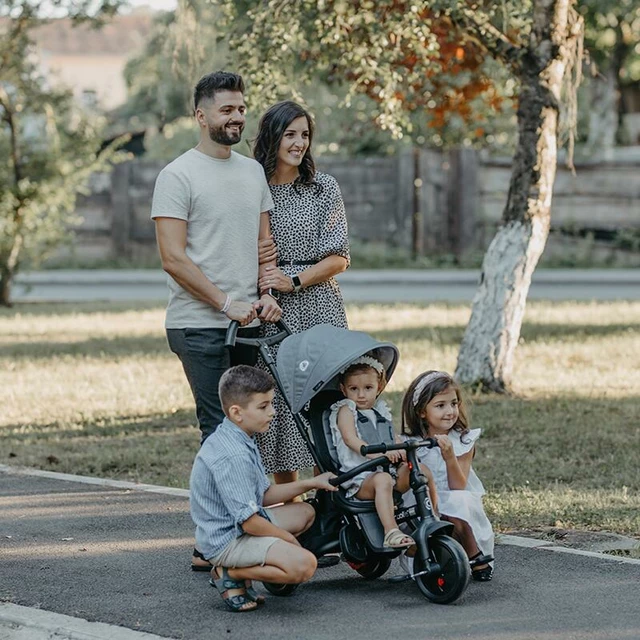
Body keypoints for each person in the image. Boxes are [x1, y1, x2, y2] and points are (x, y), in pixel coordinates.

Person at [150, 70, 281, 571]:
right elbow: (173, 258)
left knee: (252, 428)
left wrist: (267, 293)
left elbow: (264, 247)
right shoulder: (177, 175)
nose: (237, 117)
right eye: (226, 110)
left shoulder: (251, 172)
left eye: (241, 108)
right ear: (200, 116)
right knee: (218, 431)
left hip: (249, 320)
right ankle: (216, 543)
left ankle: (238, 532)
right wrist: (227, 302)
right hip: (198, 324)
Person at [252, 100, 350, 485]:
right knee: (282, 409)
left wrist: (293, 280)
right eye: (290, 134)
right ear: (272, 137)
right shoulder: (253, 190)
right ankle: (292, 510)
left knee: (324, 401)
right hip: (274, 312)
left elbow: (339, 257)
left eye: (304, 135)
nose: (298, 143)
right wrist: (268, 286)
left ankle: (329, 507)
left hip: (320, 304)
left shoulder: (323, 187)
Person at [190, 365, 337, 612]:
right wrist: (288, 540)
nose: (273, 412)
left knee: (305, 512)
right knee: (304, 566)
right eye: (263, 406)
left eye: (271, 403)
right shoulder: (233, 455)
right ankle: (229, 572)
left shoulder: (239, 434)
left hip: (238, 525)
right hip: (228, 540)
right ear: (237, 412)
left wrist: (312, 482)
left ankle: (256, 560)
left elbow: (263, 495)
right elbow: (250, 523)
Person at [328, 355, 438, 549]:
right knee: (383, 480)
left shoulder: (380, 410)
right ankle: (391, 531)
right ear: (343, 389)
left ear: (379, 387)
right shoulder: (346, 409)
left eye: (368, 388)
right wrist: (377, 455)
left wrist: (401, 448)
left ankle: (434, 515)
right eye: (354, 389)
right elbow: (350, 439)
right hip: (360, 477)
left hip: (388, 472)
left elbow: (390, 436)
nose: (361, 395)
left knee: (421, 471)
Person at [401, 370, 494, 581]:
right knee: (429, 510)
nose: (450, 411)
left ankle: (473, 553)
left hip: (455, 499)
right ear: (422, 412)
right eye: (440, 405)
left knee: (457, 503)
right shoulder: (411, 441)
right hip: (424, 501)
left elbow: (459, 486)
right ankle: (428, 552)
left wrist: (449, 456)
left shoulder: (463, 440)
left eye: (454, 403)